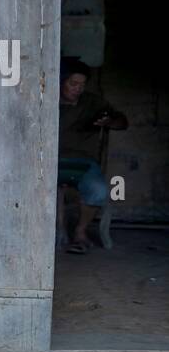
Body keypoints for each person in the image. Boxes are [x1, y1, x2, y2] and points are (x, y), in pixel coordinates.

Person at [57, 59, 126, 254]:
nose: (78, 89)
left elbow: (122, 121)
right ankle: (53, 234)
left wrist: (111, 121)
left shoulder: (93, 102)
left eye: (82, 85)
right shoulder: (46, 97)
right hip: (48, 163)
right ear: (61, 81)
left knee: (98, 190)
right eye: (73, 84)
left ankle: (80, 232)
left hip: (83, 163)